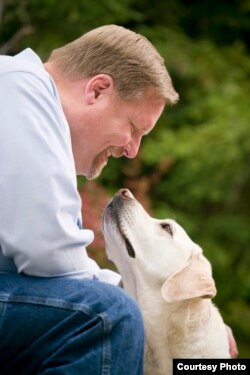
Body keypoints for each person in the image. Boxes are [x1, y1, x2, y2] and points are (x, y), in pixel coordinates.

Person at [0, 25, 237, 375]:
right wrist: (134, 302)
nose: (132, 150)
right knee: (107, 317)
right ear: (97, 90)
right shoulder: (19, 89)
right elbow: (46, 251)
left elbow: (58, 269)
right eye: (134, 128)